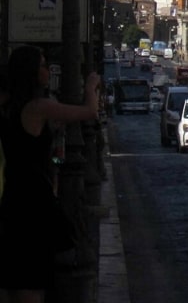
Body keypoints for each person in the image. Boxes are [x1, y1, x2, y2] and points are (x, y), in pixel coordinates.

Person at [0, 46, 102, 302]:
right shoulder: (38, 107)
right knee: (32, 281)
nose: (47, 70)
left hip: (13, 197)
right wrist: (91, 86)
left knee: (16, 281)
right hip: (33, 203)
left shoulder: (10, 105)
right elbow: (89, 112)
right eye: (43, 66)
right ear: (32, 72)